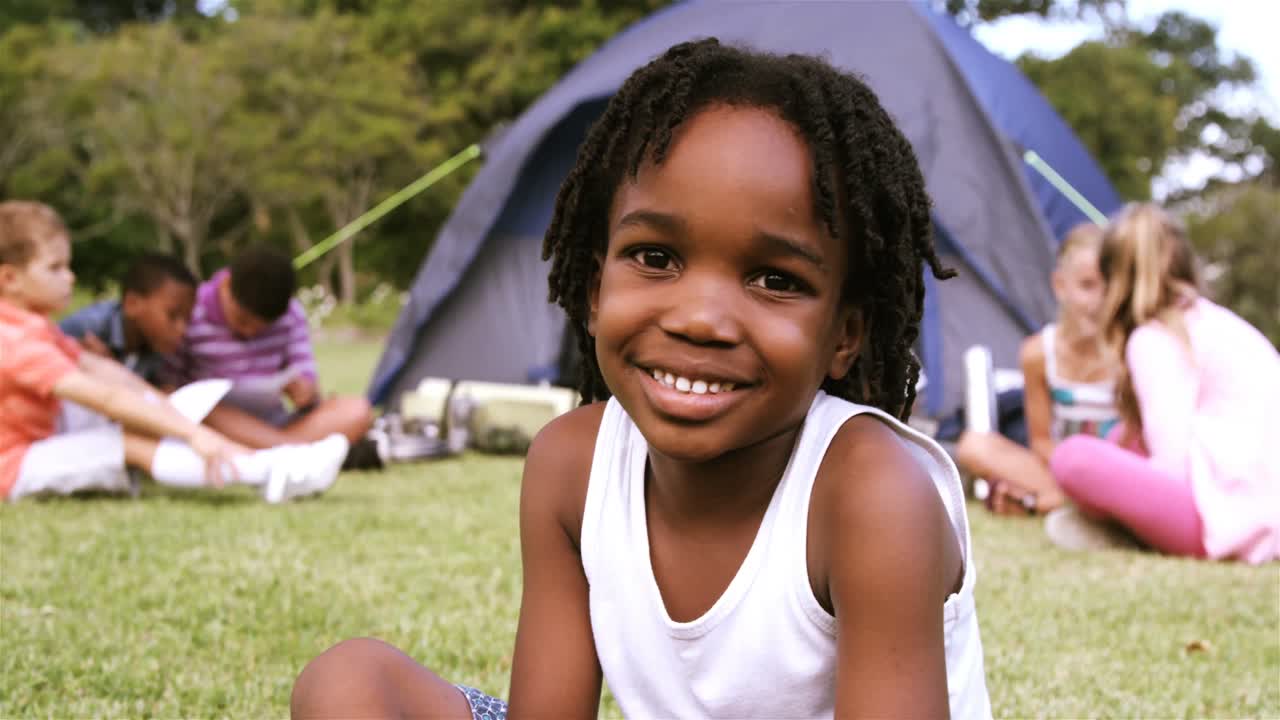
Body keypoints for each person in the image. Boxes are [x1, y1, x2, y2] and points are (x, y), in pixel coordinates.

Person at [290, 40, 992, 719]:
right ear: (595, 292)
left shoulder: (873, 496)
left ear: (845, 334)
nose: (700, 319)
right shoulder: (570, 465)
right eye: (656, 257)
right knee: (349, 684)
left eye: (774, 279)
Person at [0, 201, 348, 504]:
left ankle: (274, 462)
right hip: (13, 466)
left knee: (138, 417)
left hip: (41, 441)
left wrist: (165, 407)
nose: (70, 278)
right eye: (55, 268)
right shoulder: (14, 339)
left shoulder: (37, 327)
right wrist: (193, 433)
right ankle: (266, 473)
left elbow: (109, 375)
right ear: (10, 279)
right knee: (126, 443)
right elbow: (105, 398)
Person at [1047, 203, 1280, 562]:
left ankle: (1131, 533)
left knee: (1073, 457)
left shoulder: (1155, 338)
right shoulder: (1216, 322)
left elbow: (1172, 466)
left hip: (1236, 520)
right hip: (1259, 503)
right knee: (1122, 438)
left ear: (1113, 279)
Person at [160, 245, 378, 466]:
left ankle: (272, 452)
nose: (249, 332)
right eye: (242, 320)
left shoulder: (291, 314)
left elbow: (307, 379)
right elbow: (168, 388)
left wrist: (304, 390)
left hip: (273, 422)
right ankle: (291, 453)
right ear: (227, 286)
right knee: (204, 409)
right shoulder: (191, 309)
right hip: (215, 421)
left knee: (356, 410)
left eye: (262, 328)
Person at [954, 223, 1117, 515]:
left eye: (1110, 287)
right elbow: (1041, 441)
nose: (1099, 301)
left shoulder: (1131, 349)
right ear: (1060, 285)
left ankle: (1043, 502)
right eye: (1087, 286)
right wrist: (1075, 475)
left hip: (1121, 469)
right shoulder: (1037, 353)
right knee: (973, 445)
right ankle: (1073, 502)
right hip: (1063, 470)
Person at [59, 252, 197, 385]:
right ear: (132, 304)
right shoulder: (88, 328)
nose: (182, 329)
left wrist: (112, 370)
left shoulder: (157, 345)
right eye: (173, 316)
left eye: (187, 319)